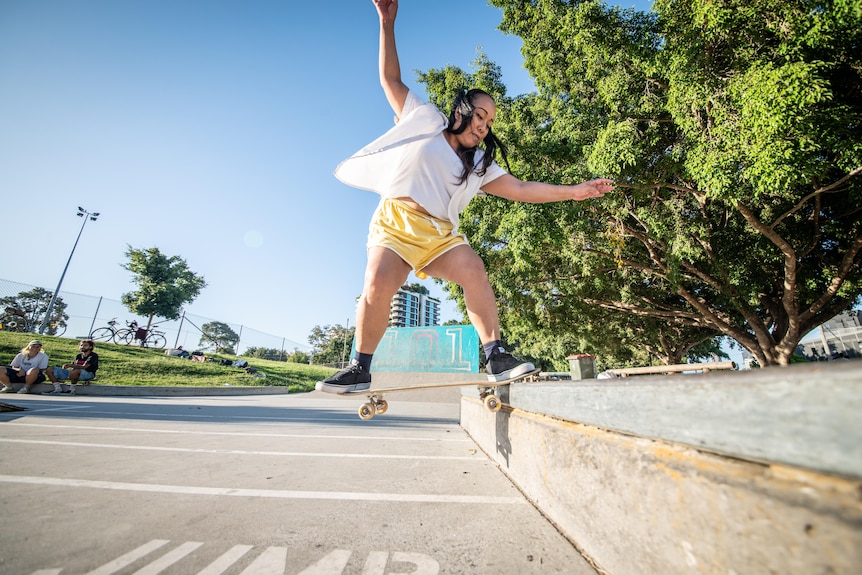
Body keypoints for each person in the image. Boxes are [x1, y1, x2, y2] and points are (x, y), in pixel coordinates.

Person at [318, 0, 615, 394]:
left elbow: (523, 189)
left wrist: (574, 192)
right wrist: (386, 23)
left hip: (439, 235)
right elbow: (390, 80)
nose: (484, 126)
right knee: (376, 284)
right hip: (396, 223)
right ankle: (359, 367)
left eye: (490, 121)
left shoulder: (479, 163)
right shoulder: (425, 120)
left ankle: (495, 356)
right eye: (480, 116)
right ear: (461, 111)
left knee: (473, 269)